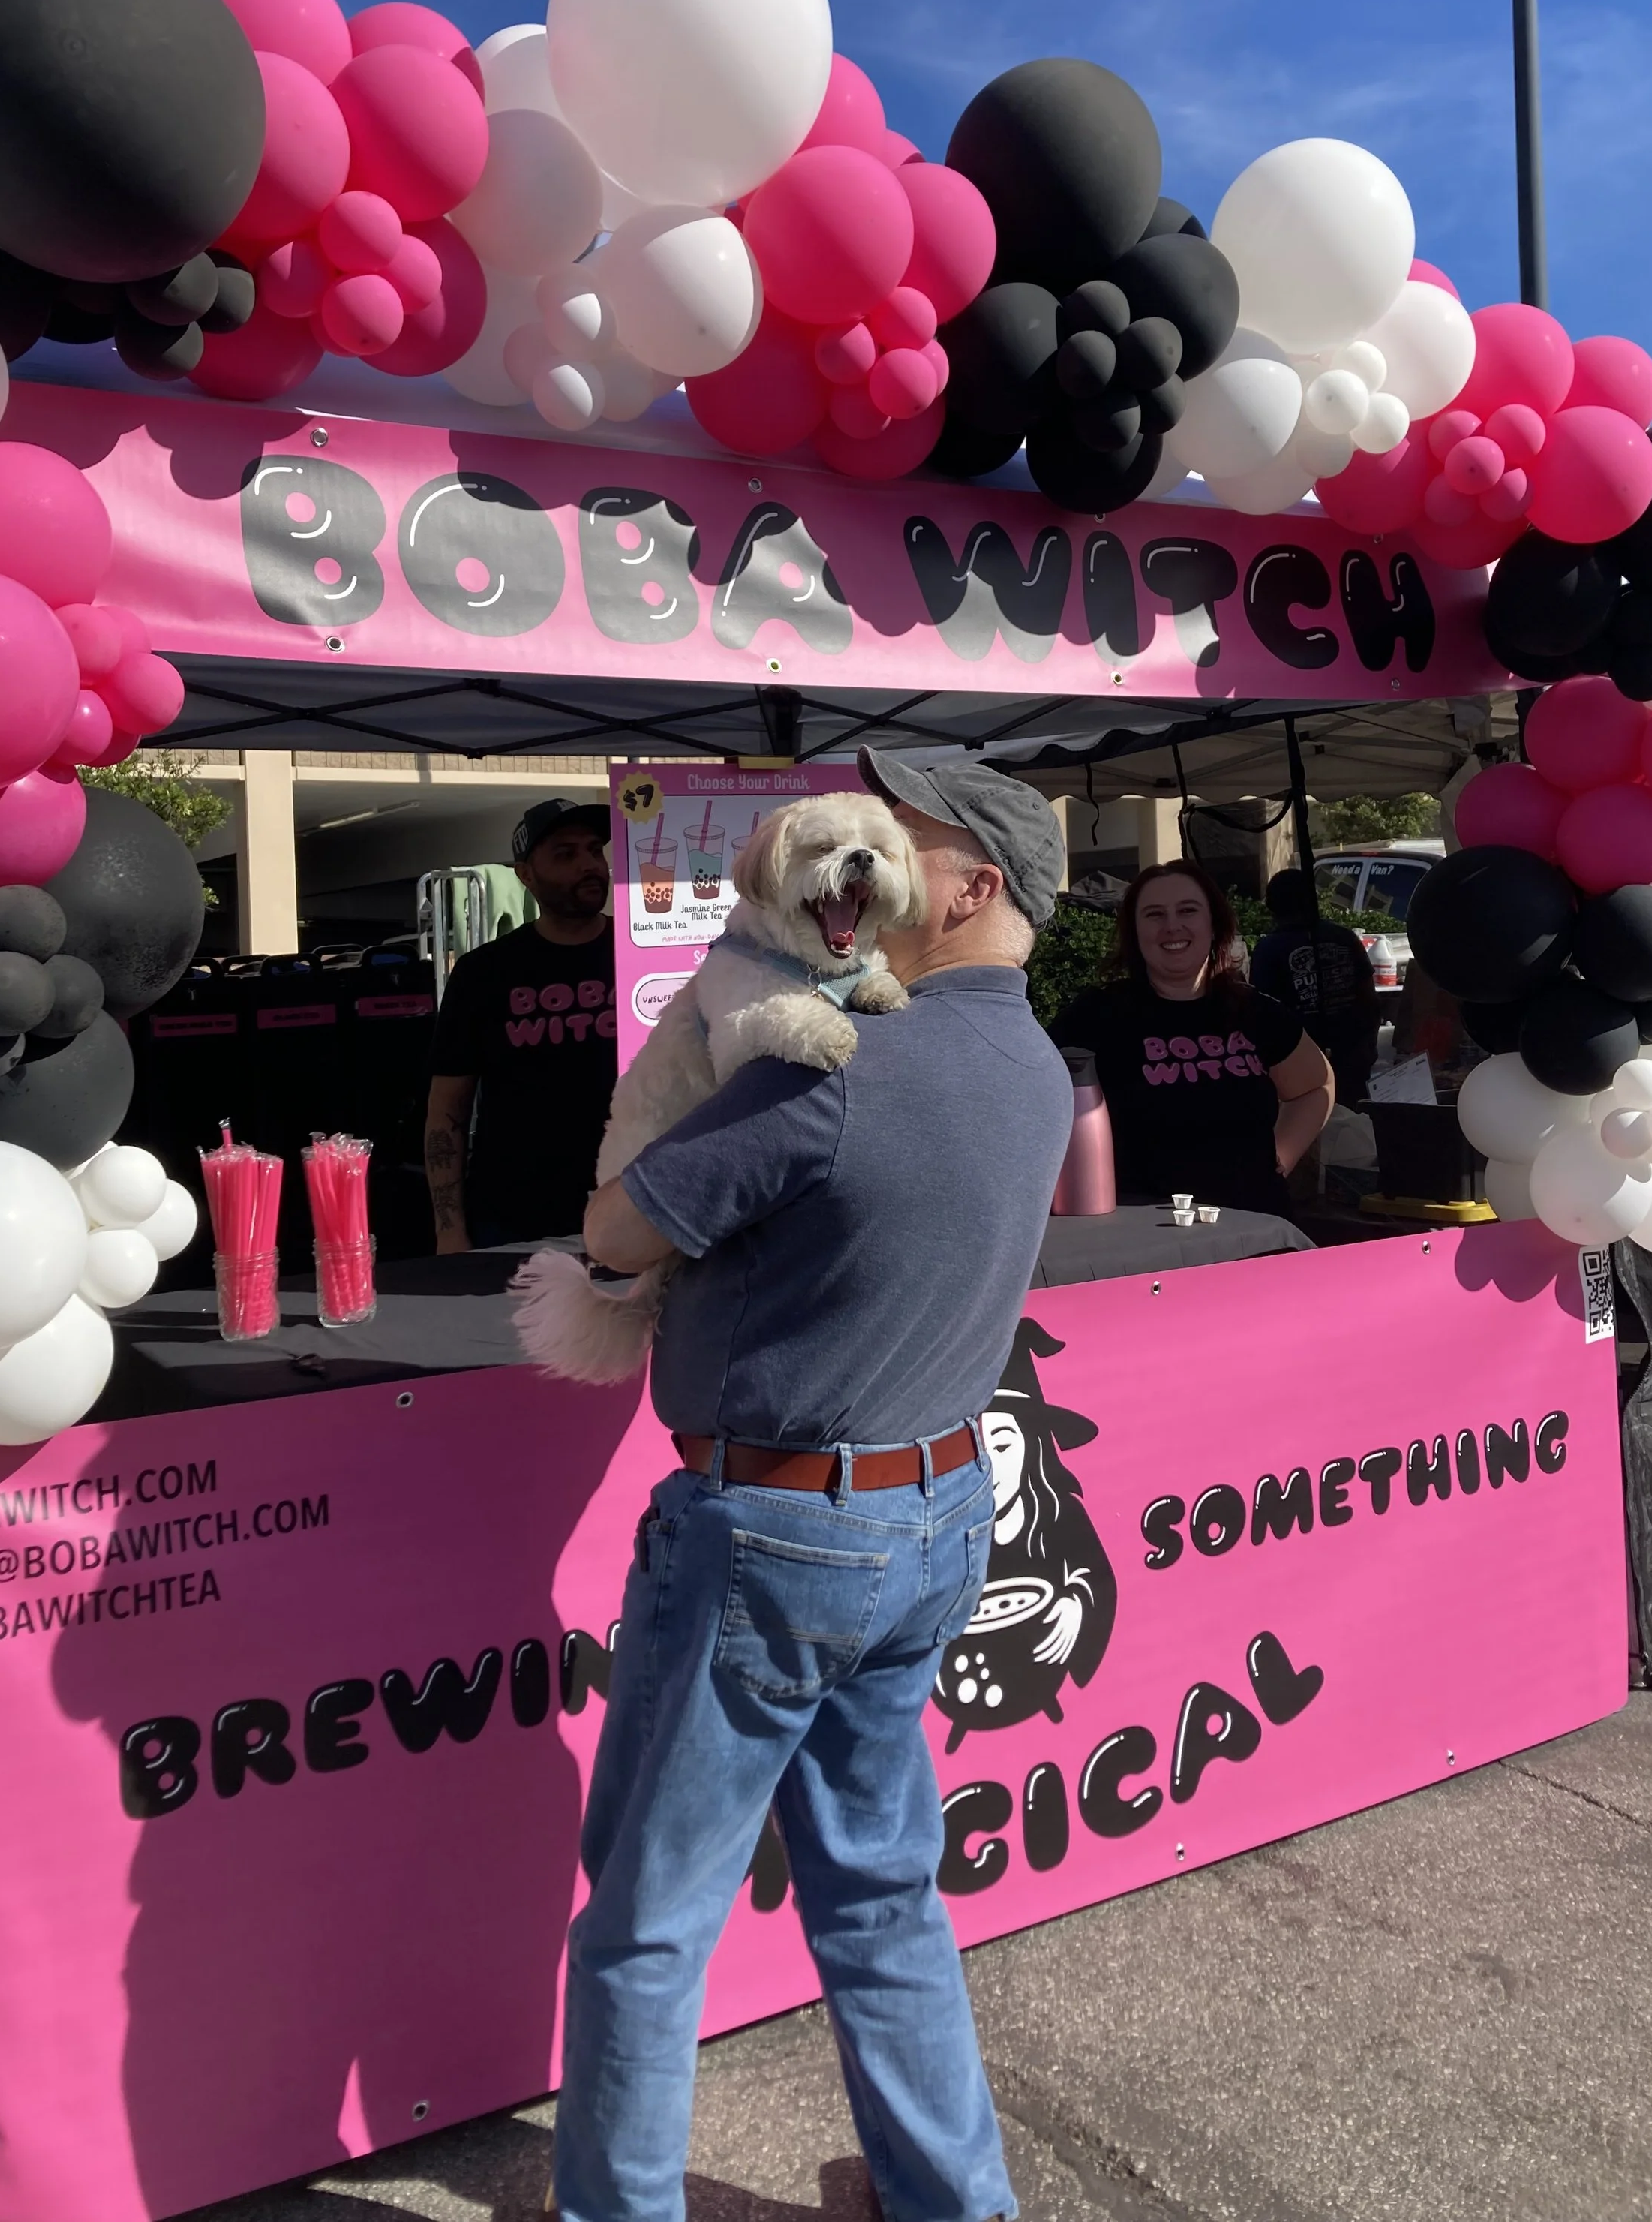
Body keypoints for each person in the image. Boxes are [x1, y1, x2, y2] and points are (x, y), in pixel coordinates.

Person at [551, 751, 1074, 2222]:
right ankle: (951, 2198)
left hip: (775, 1532)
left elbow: (616, 1229)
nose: (867, 874)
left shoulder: (831, 1066)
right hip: (934, 1513)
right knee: (880, 1891)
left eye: (900, 845)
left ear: (968, 885)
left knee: (650, 1921)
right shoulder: (1038, 1066)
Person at [1050, 859, 1333, 1216]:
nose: (1172, 926)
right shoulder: (1096, 1015)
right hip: (1142, 1230)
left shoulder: (1255, 1011)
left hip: (1254, 1225)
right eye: (1154, 914)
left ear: (1213, 924)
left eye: (1188, 910)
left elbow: (1316, 1086)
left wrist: (1281, 1156)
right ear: (1134, 931)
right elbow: (1036, 1102)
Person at [422, 798, 616, 1252]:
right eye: (565, 854)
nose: (589, 865)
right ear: (526, 874)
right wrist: (449, 1230)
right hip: (514, 1220)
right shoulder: (483, 972)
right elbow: (447, 1112)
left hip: (632, 1207)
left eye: (595, 850)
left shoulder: (643, 956)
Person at [1247, 867, 1382, 1108]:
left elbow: (1264, 1013)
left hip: (1300, 1062)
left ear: (1271, 907)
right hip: (1352, 1055)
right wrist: (1367, 1046)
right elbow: (1370, 998)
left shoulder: (1268, 950)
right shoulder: (1345, 938)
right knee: (1354, 1123)